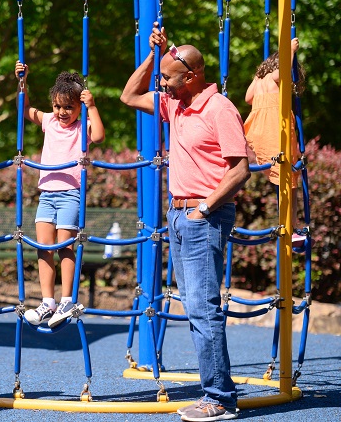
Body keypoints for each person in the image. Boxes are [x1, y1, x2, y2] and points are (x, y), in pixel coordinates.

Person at [120, 23, 250, 421]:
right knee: (196, 307)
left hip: (202, 217)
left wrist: (205, 208)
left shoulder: (219, 107)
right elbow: (129, 95)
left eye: (169, 78)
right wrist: (153, 55)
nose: (163, 84)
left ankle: (220, 398)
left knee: (203, 307)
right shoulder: (176, 104)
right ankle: (217, 393)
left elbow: (241, 169)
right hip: (179, 216)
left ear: (192, 77)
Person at [15, 61, 105, 328]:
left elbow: (99, 137)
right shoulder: (49, 122)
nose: (62, 112)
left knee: (65, 246)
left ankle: (67, 299)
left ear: (79, 107)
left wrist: (94, 106)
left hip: (69, 194)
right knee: (44, 248)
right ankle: (47, 302)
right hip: (47, 194)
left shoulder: (82, 127)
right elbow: (25, 110)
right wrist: (23, 81)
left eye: (69, 107)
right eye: (57, 106)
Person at [244, 37, 306, 245]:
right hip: (274, 128)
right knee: (290, 177)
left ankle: (290, 223)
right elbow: (283, 74)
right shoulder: (274, 77)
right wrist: (290, 50)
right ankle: (292, 225)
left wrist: (257, 76)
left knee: (282, 177)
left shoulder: (259, 80)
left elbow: (247, 98)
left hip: (257, 130)